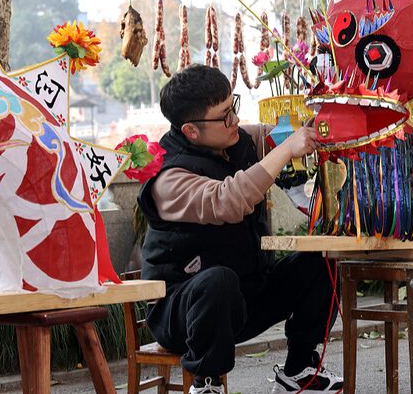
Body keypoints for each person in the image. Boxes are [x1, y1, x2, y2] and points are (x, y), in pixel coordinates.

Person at [137, 64, 342, 394]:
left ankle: (299, 369)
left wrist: (323, 119)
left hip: (245, 297)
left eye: (233, 107)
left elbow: (280, 134)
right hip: (184, 312)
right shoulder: (169, 179)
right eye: (224, 116)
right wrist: (286, 150)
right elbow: (227, 200)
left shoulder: (235, 140)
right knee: (217, 281)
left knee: (321, 261)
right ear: (191, 130)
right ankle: (207, 384)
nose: (234, 119)